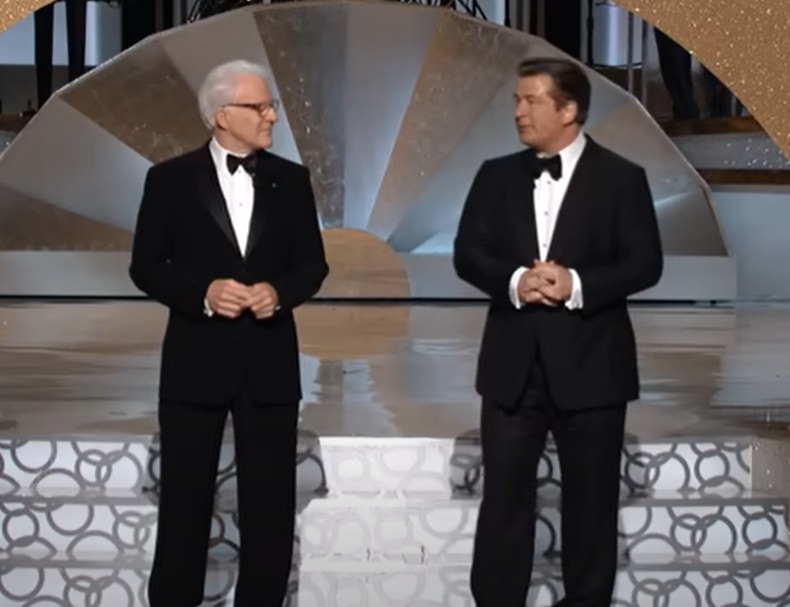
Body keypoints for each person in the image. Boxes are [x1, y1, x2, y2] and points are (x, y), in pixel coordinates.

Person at [453, 57, 663, 607]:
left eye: (531, 101)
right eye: (516, 100)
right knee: (503, 504)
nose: (518, 112)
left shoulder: (622, 178)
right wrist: (516, 280)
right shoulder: (495, 175)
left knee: (591, 507)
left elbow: (645, 264)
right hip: (511, 369)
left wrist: (575, 284)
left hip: (593, 367)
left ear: (568, 110)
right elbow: (468, 254)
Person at [129, 59, 328, 607]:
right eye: (259, 106)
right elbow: (147, 266)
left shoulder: (292, 180)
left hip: (269, 363)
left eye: (271, 106)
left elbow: (312, 265)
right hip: (195, 363)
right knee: (184, 506)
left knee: (270, 510)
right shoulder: (169, 180)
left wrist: (278, 293)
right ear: (222, 115)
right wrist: (204, 292)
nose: (272, 116)